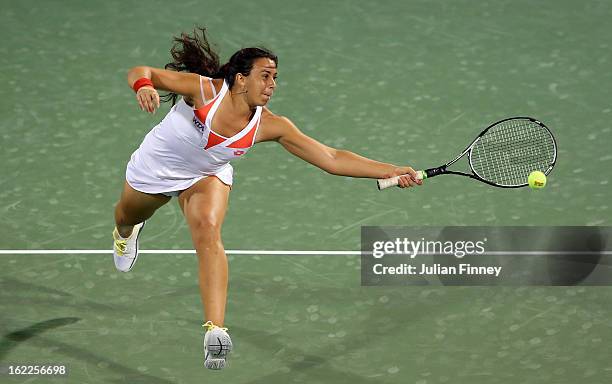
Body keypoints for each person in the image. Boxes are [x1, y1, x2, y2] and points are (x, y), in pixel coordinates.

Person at [112, 27, 421, 370]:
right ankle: (127, 232)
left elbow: (331, 158)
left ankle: (215, 330)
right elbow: (143, 72)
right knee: (125, 215)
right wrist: (143, 87)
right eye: (265, 76)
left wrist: (388, 170)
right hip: (156, 166)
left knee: (208, 231)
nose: (272, 85)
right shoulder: (203, 89)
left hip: (206, 175)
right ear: (241, 80)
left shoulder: (270, 125)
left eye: (275, 77)